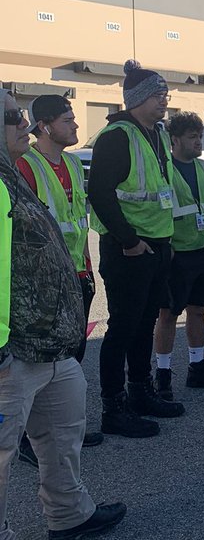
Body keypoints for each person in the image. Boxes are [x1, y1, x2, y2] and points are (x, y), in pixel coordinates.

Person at [0, 92, 126, 540]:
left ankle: (69, 515)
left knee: (63, 430)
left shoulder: (13, 174)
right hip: (12, 350)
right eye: (13, 118)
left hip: (49, 342)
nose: (25, 126)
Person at [88, 60, 184, 437]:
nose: (165, 101)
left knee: (145, 324)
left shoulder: (157, 134)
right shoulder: (117, 136)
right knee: (123, 327)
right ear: (137, 98)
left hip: (157, 245)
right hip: (128, 249)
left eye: (166, 95)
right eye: (159, 95)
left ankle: (140, 392)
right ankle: (114, 408)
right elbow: (99, 193)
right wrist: (130, 241)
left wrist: (165, 241)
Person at [15, 95, 104, 461]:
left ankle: (63, 430)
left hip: (77, 273)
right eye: (68, 120)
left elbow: (78, 220)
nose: (76, 126)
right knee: (40, 364)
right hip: (46, 282)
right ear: (45, 126)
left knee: (71, 358)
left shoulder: (69, 161)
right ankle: (28, 439)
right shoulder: (26, 165)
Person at [152, 113, 204, 398]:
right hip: (178, 253)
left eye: (200, 136)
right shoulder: (165, 170)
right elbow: (161, 211)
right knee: (169, 314)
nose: (198, 142)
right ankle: (162, 374)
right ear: (175, 140)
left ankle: (197, 368)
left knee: (198, 310)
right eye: (192, 137)